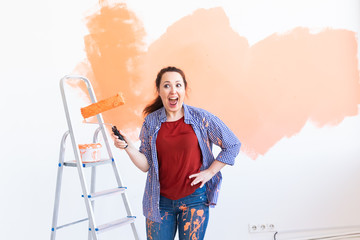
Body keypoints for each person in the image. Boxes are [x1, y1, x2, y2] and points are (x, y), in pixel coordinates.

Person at [112, 66, 241, 240]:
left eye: (178, 85)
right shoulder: (151, 122)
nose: (173, 90)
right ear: (158, 90)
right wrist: (129, 147)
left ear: (184, 89)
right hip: (159, 203)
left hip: (195, 199)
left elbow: (232, 144)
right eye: (167, 86)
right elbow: (145, 165)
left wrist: (210, 172)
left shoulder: (201, 118)